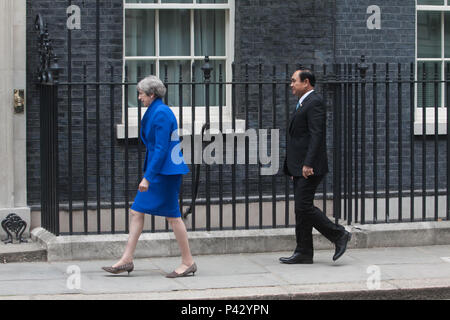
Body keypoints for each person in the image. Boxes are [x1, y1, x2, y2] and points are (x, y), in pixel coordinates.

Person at [102, 75, 196, 278]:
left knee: (173, 217)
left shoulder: (161, 113)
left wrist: (147, 177)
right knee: (137, 211)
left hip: (166, 172)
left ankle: (188, 262)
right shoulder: (156, 110)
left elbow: (161, 149)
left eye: (141, 94)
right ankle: (126, 259)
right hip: (161, 170)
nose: (139, 98)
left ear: (152, 95)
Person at [280, 68, 351, 264]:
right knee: (301, 209)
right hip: (299, 166)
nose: (291, 84)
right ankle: (303, 251)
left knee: (303, 206)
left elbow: (316, 135)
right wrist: (295, 167)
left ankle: (339, 235)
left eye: (294, 81)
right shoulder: (304, 102)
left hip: (310, 166)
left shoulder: (315, 102)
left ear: (307, 83)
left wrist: (307, 164)